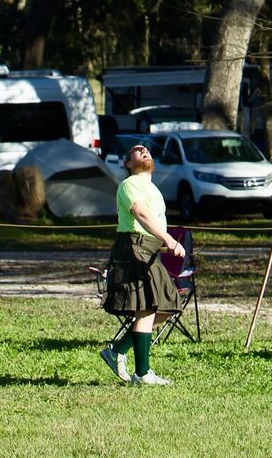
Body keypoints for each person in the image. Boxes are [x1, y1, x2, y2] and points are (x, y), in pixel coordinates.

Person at [99, 143, 185, 386]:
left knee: (167, 305)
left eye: (146, 149)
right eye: (137, 150)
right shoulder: (129, 184)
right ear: (127, 163)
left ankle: (117, 351)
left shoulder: (154, 189)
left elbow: (155, 222)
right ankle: (143, 373)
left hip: (148, 250)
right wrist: (169, 239)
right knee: (147, 307)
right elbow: (141, 214)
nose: (144, 151)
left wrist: (163, 243)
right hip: (133, 248)